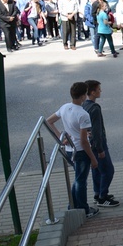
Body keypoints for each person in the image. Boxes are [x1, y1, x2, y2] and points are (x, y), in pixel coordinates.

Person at [46, 82, 99, 218]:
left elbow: (49, 121)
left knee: (77, 179)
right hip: (81, 151)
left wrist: (60, 137)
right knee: (81, 181)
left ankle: (73, 205)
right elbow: (83, 141)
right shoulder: (83, 114)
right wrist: (93, 158)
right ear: (82, 96)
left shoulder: (65, 107)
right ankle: (83, 209)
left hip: (70, 150)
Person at [82, 80, 120, 208]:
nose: (100, 91)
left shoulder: (84, 105)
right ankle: (103, 198)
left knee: (97, 170)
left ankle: (97, 194)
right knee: (108, 171)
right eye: (98, 89)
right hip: (98, 145)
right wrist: (100, 149)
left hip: (90, 144)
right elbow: (97, 131)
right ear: (92, 92)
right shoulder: (95, 108)